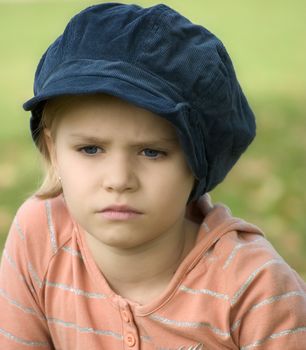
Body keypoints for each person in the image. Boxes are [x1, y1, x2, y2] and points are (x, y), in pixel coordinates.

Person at [0, 3, 305, 349]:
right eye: (90, 149)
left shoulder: (255, 288)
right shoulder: (41, 235)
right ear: (52, 149)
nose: (118, 179)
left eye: (152, 152)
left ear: (197, 163)